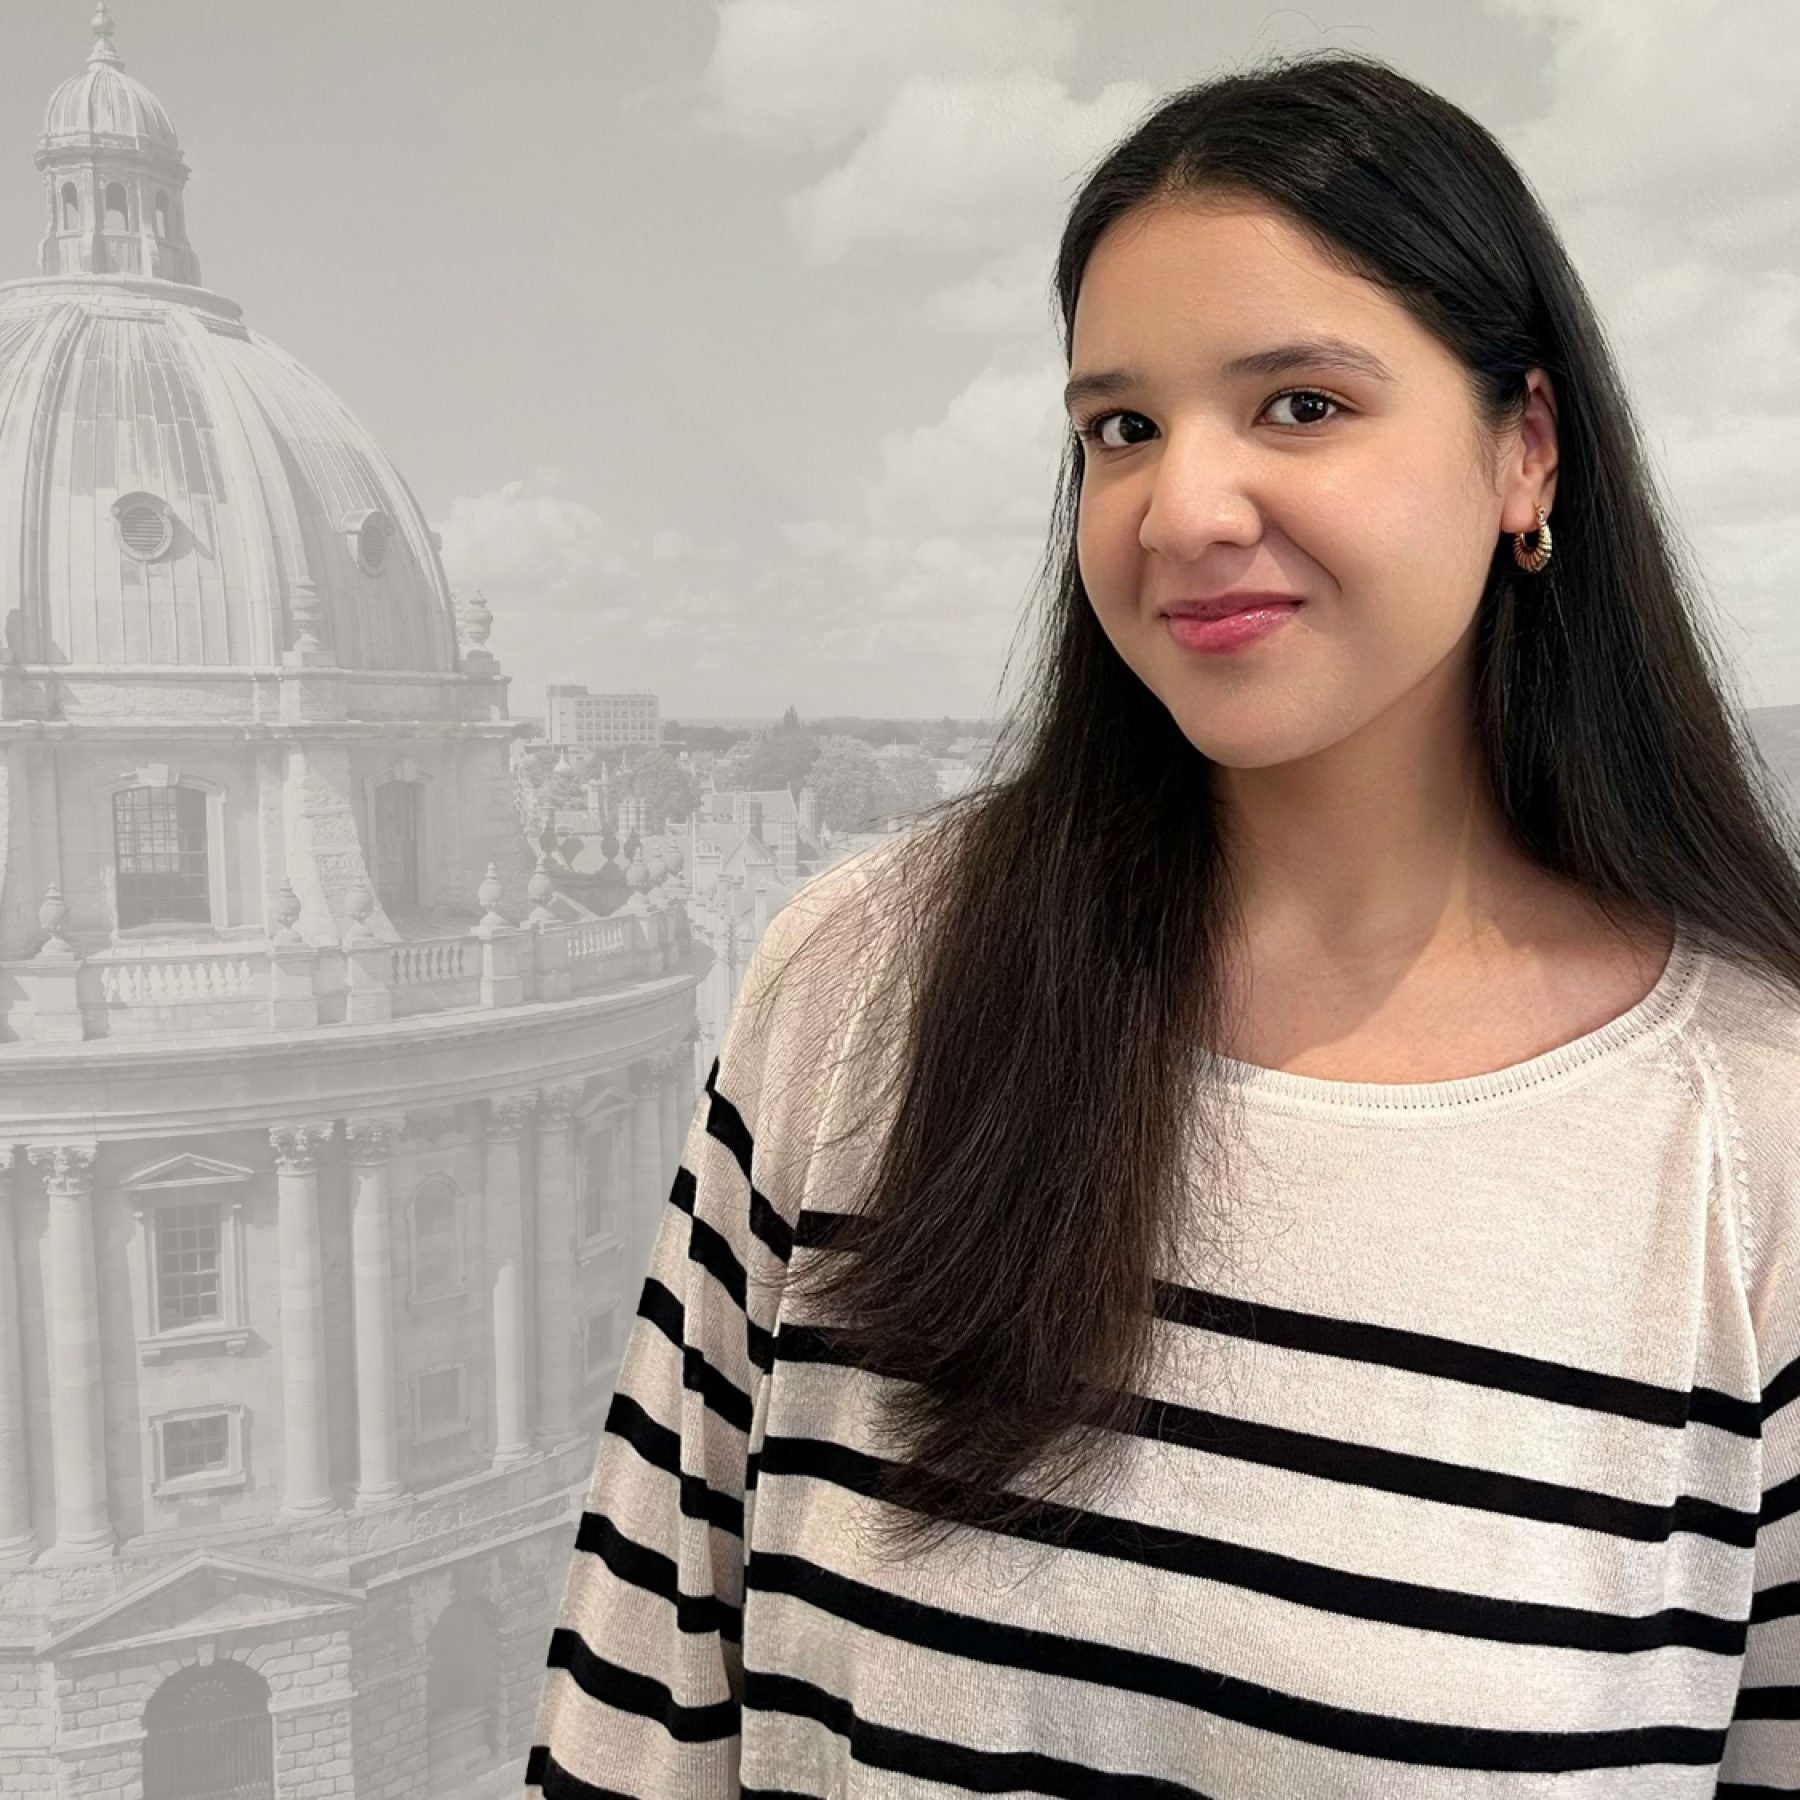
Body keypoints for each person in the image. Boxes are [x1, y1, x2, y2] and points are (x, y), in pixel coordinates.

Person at [526, 48, 1800, 1798]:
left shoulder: (1756, 1137)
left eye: (1300, 405)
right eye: (1121, 426)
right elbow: (642, 1706)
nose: (1183, 510)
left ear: (1526, 447)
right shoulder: (860, 981)